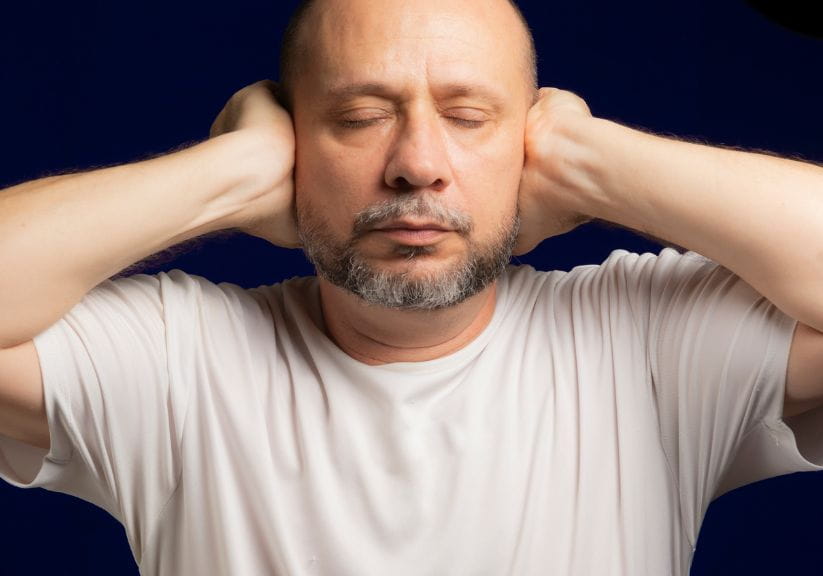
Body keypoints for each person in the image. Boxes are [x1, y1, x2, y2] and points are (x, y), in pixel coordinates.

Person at [1, 0, 823, 573]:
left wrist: (591, 158)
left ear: (528, 143)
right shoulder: (175, 359)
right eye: (359, 118)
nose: (416, 165)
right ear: (295, 143)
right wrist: (230, 170)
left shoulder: (647, 343)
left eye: (468, 117)